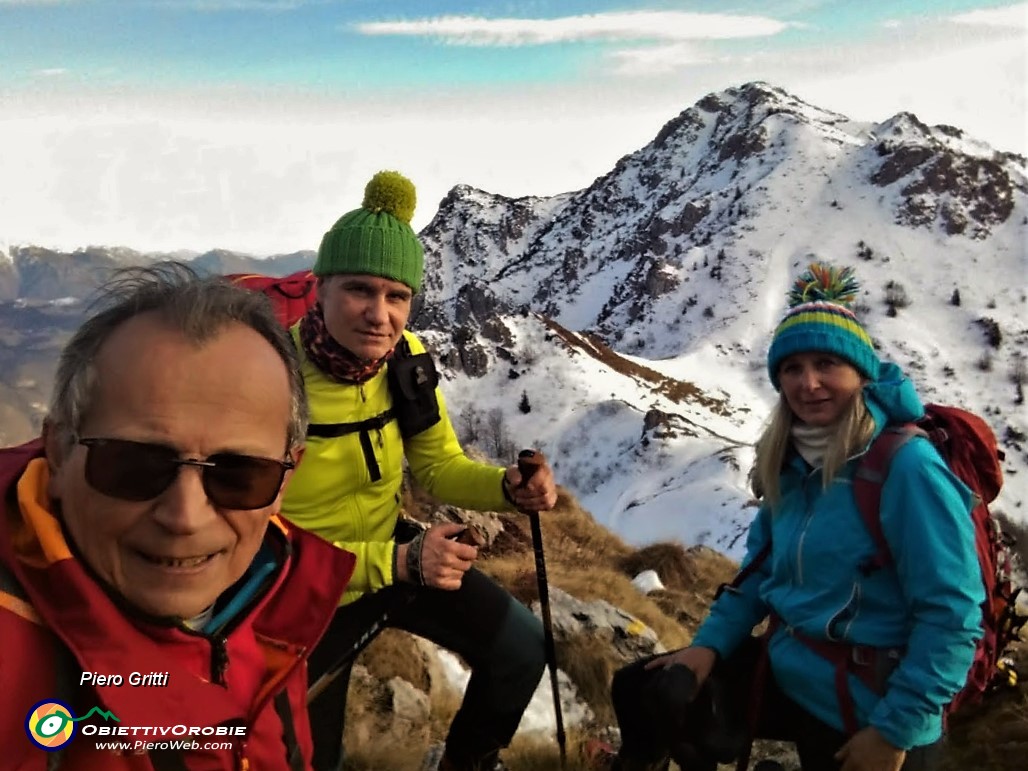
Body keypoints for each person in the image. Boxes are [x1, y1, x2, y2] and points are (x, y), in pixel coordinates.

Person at [597, 263, 983, 771]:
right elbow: (760, 574)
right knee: (643, 687)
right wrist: (706, 649)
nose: (809, 383)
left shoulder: (904, 467)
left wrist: (893, 733)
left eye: (827, 363)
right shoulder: (794, 462)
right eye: (792, 368)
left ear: (860, 372)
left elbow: (953, 615)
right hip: (803, 678)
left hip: (874, 703)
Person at [0, 263, 356, 770]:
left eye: (239, 474)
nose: (185, 516)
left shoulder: (274, 598)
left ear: (284, 479)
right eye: (135, 465)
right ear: (59, 452)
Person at [282, 170, 558, 771]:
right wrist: (402, 563)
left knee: (520, 648)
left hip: (391, 550)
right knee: (304, 756)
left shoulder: (404, 361)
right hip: (301, 586)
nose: (379, 315)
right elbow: (249, 544)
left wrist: (507, 490)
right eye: (359, 290)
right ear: (319, 288)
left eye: (397, 296)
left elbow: (437, 466)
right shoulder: (271, 380)